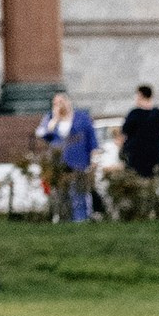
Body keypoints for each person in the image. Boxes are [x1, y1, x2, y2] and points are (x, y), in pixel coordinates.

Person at [36, 88, 97, 223]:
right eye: (56, 103)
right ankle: (64, 219)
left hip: (79, 161)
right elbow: (42, 134)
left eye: (61, 101)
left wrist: (93, 158)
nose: (59, 105)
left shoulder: (82, 118)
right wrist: (55, 119)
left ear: (68, 102)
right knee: (60, 194)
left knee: (79, 192)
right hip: (58, 163)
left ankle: (81, 219)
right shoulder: (50, 118)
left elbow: (91, 139)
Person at [119, 85, 159, 181]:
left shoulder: (135, 114)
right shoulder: (157, 114)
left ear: (140, 95)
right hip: (153, 156)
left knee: (135, 183)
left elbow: (125, 130)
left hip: (136, 157)